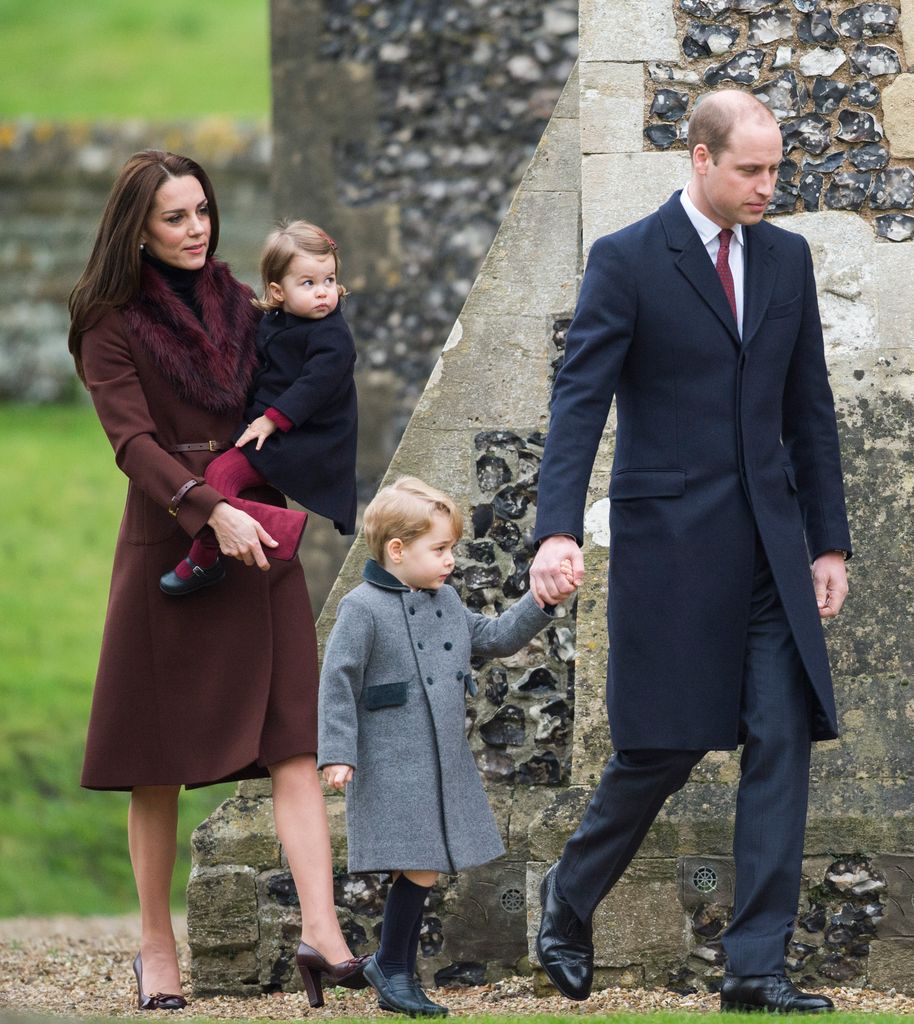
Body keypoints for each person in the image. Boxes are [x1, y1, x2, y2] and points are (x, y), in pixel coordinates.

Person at [530, 91, 851, 1014]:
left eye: (775, 169)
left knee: (781, 739)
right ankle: (571, 892)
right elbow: (579, 400)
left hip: (771, 554)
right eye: (750, 170)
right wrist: (555, 526)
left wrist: (827, 542)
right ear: (700, 159)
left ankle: (756, 969)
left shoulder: (787, 259)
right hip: (669, 548)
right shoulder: (626, 260)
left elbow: (811, 410)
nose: (767, 187)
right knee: (663, 748)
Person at [68, 150, 366, 1010]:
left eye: (203, 211)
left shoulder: (249, 303)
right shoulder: (108, 322)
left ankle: (325, 932)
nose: (197, 229)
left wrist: (275, 489)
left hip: (259, 534)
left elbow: (314, 375)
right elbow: (131, 444)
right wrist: (208, 510)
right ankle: (156, 950)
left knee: (294, 743)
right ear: (138, 227)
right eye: (175, 217)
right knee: (152, 762)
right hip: (171, 535)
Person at [317, 477, 575, 1017]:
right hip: (391, 761)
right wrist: (337, 751)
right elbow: (336, 681)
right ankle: (393, 969)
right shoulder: (361, 608)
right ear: (396, 550)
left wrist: (541, 597)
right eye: (439, 549)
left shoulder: (446, 601)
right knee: (420, 864)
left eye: (452, 548)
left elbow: (500, 637)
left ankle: (392, 970)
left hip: (442, 764)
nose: (451, 560)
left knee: (423, 865)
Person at [160, 220, 358, 596]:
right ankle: (259, 534)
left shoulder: (332, 336)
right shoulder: (274, 322)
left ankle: (205, 559)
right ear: (276, 291)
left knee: (221, 475)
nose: (323, 293)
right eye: (309, 283)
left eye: (329, 280)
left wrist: (270, 420)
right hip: (273, 428)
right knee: (217, 475)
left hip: (306, 439)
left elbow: (314, 385)